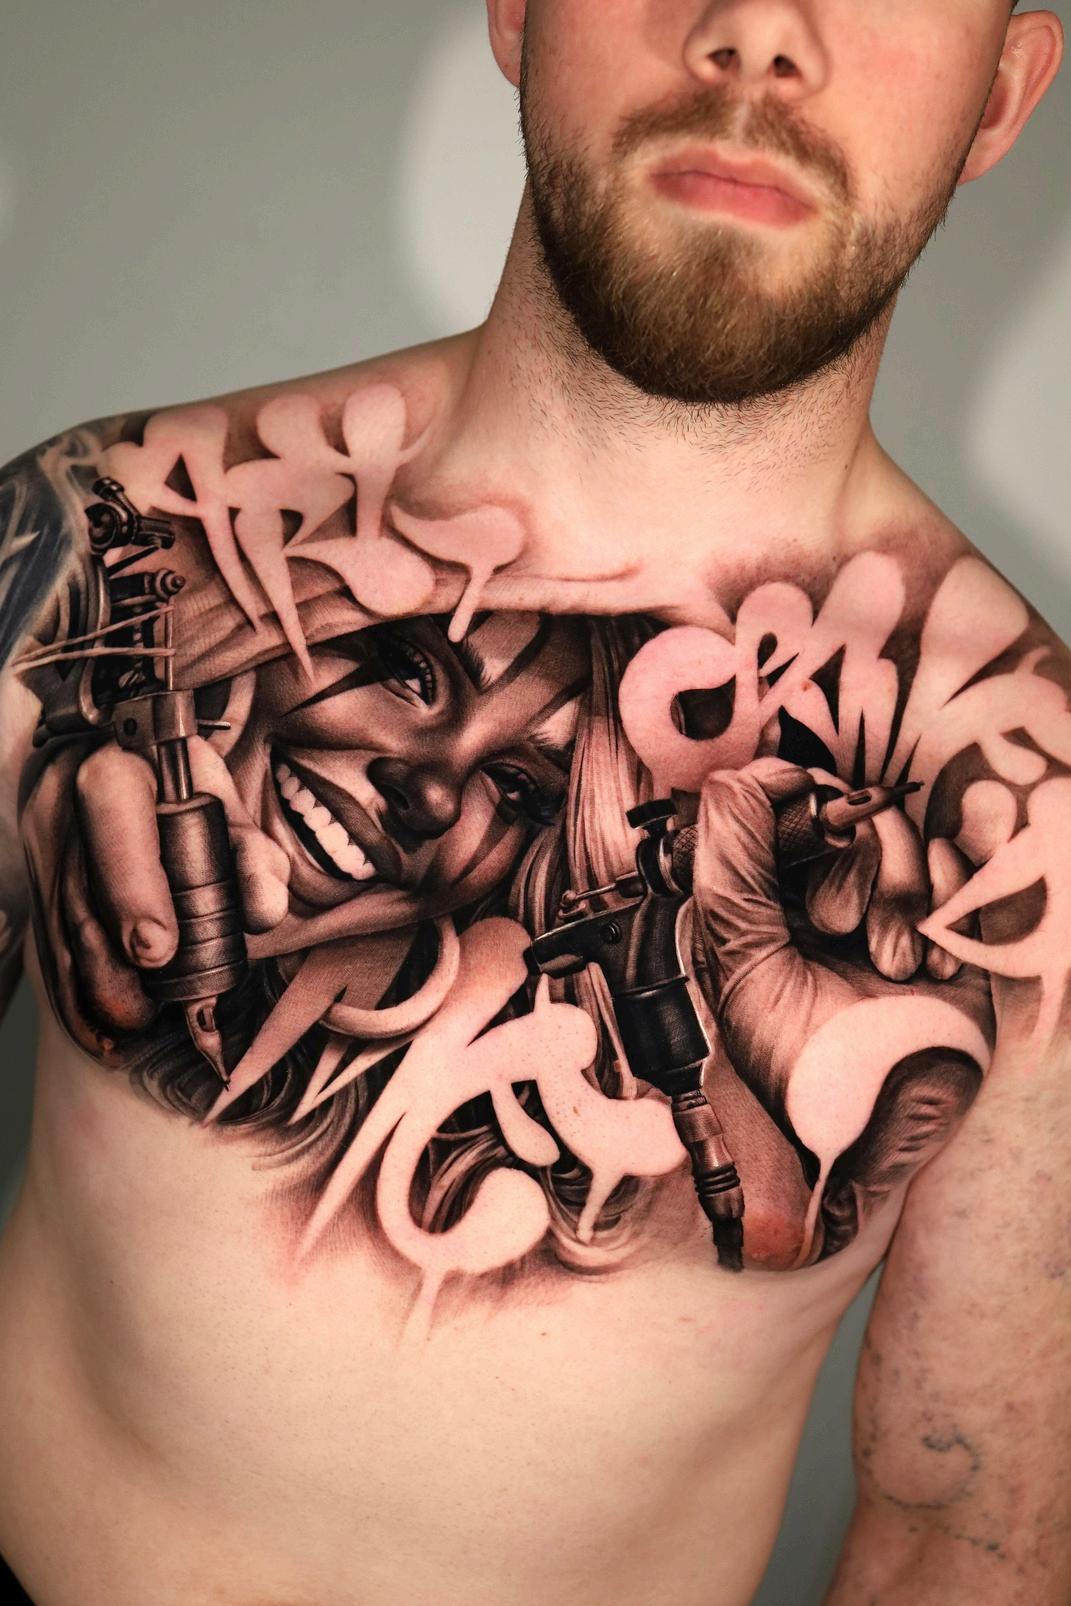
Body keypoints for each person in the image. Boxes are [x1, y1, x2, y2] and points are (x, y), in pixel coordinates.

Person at [0, 2, 1066, 1602]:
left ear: (1000, 95)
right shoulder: (101, 543)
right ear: (518, 10)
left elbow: (962, 1534)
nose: (757, 30)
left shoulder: (1036, 826)